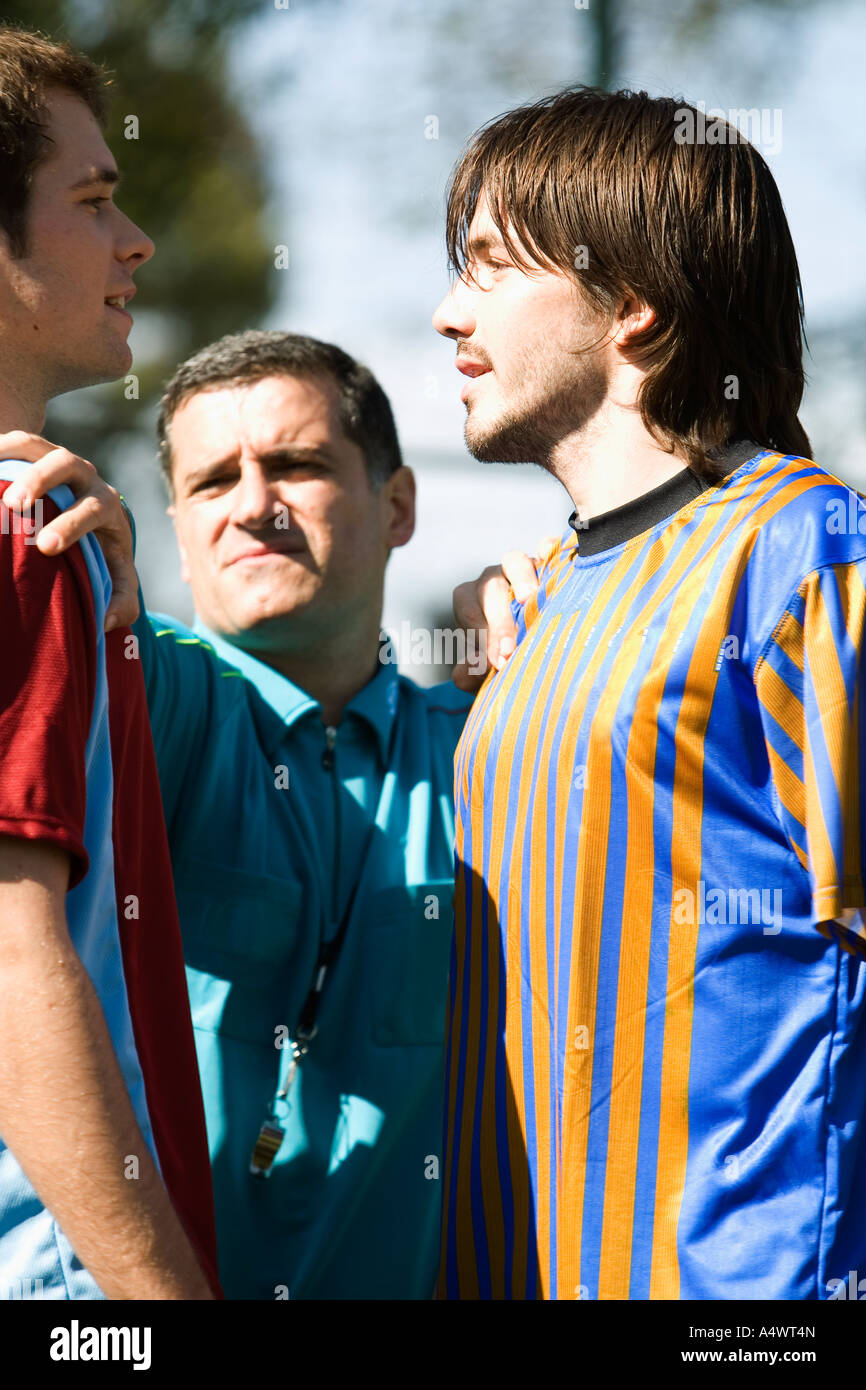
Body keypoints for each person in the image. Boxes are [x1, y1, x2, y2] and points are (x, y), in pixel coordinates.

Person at [431, 86, 866, 1301]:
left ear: (630, 302)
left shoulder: (810, 551)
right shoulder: (541, 597)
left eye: (483, 269)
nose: (444, 314)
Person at [5, 329, 477, 1300]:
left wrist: (555, 588)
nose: (254, 507)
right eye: (215, 482)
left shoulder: (492, 750)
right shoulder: (155, 695)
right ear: (172, 527)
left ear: (396, 505)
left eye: (297, 465)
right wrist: (85, 555)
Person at [0, 28, 217, 1297]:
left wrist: (118, 631)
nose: (134, 239)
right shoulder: (26, 531)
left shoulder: (66, 539)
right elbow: (13, 956)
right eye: (91, 201)